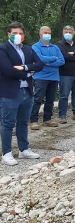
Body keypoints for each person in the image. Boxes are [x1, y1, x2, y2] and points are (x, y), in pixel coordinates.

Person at [0, 22, 43, 165]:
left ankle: (24, 149)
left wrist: (25, 67)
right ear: (8, 34)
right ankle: (6, 153)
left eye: (20, 33)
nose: (18, 36)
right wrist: (28, 74)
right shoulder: (3, 49)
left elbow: (39, 65)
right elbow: (8, 70)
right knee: (7, 123)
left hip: (27, 91)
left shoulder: (28, 49)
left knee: (23, 122)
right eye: (15, 33)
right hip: (10, 92)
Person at [30, 26, 65, 130]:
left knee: (50, 100)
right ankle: (34, 120)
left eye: (49, 33)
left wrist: (47, 63)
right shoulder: (35, 46)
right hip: (40, 76)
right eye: (45, 32)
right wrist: (54, 58)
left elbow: (62, 61)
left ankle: (47, 119)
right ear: (40, 34)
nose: (47, 34)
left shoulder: (55, 47)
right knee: (37, 99)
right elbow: (39, 59)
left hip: (54, 77)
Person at [56, 25, 75, 123]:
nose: (67, 34)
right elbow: (64, 56)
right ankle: (62, 115)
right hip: (65, 74)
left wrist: (73, 52)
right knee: (64, 95)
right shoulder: (59, 44)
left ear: (73, 33)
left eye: (69, 32)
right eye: (66, 32)